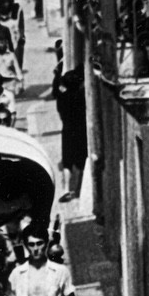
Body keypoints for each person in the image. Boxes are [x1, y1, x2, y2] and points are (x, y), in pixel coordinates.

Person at [52, 55, 88, 203]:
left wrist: (57, 75)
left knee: (67, 160)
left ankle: (66, 188)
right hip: (80, 129)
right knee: (80, 159)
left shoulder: (62, 96)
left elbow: (56, 89)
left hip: (66, 128)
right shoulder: (79, 97)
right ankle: (77, 189)